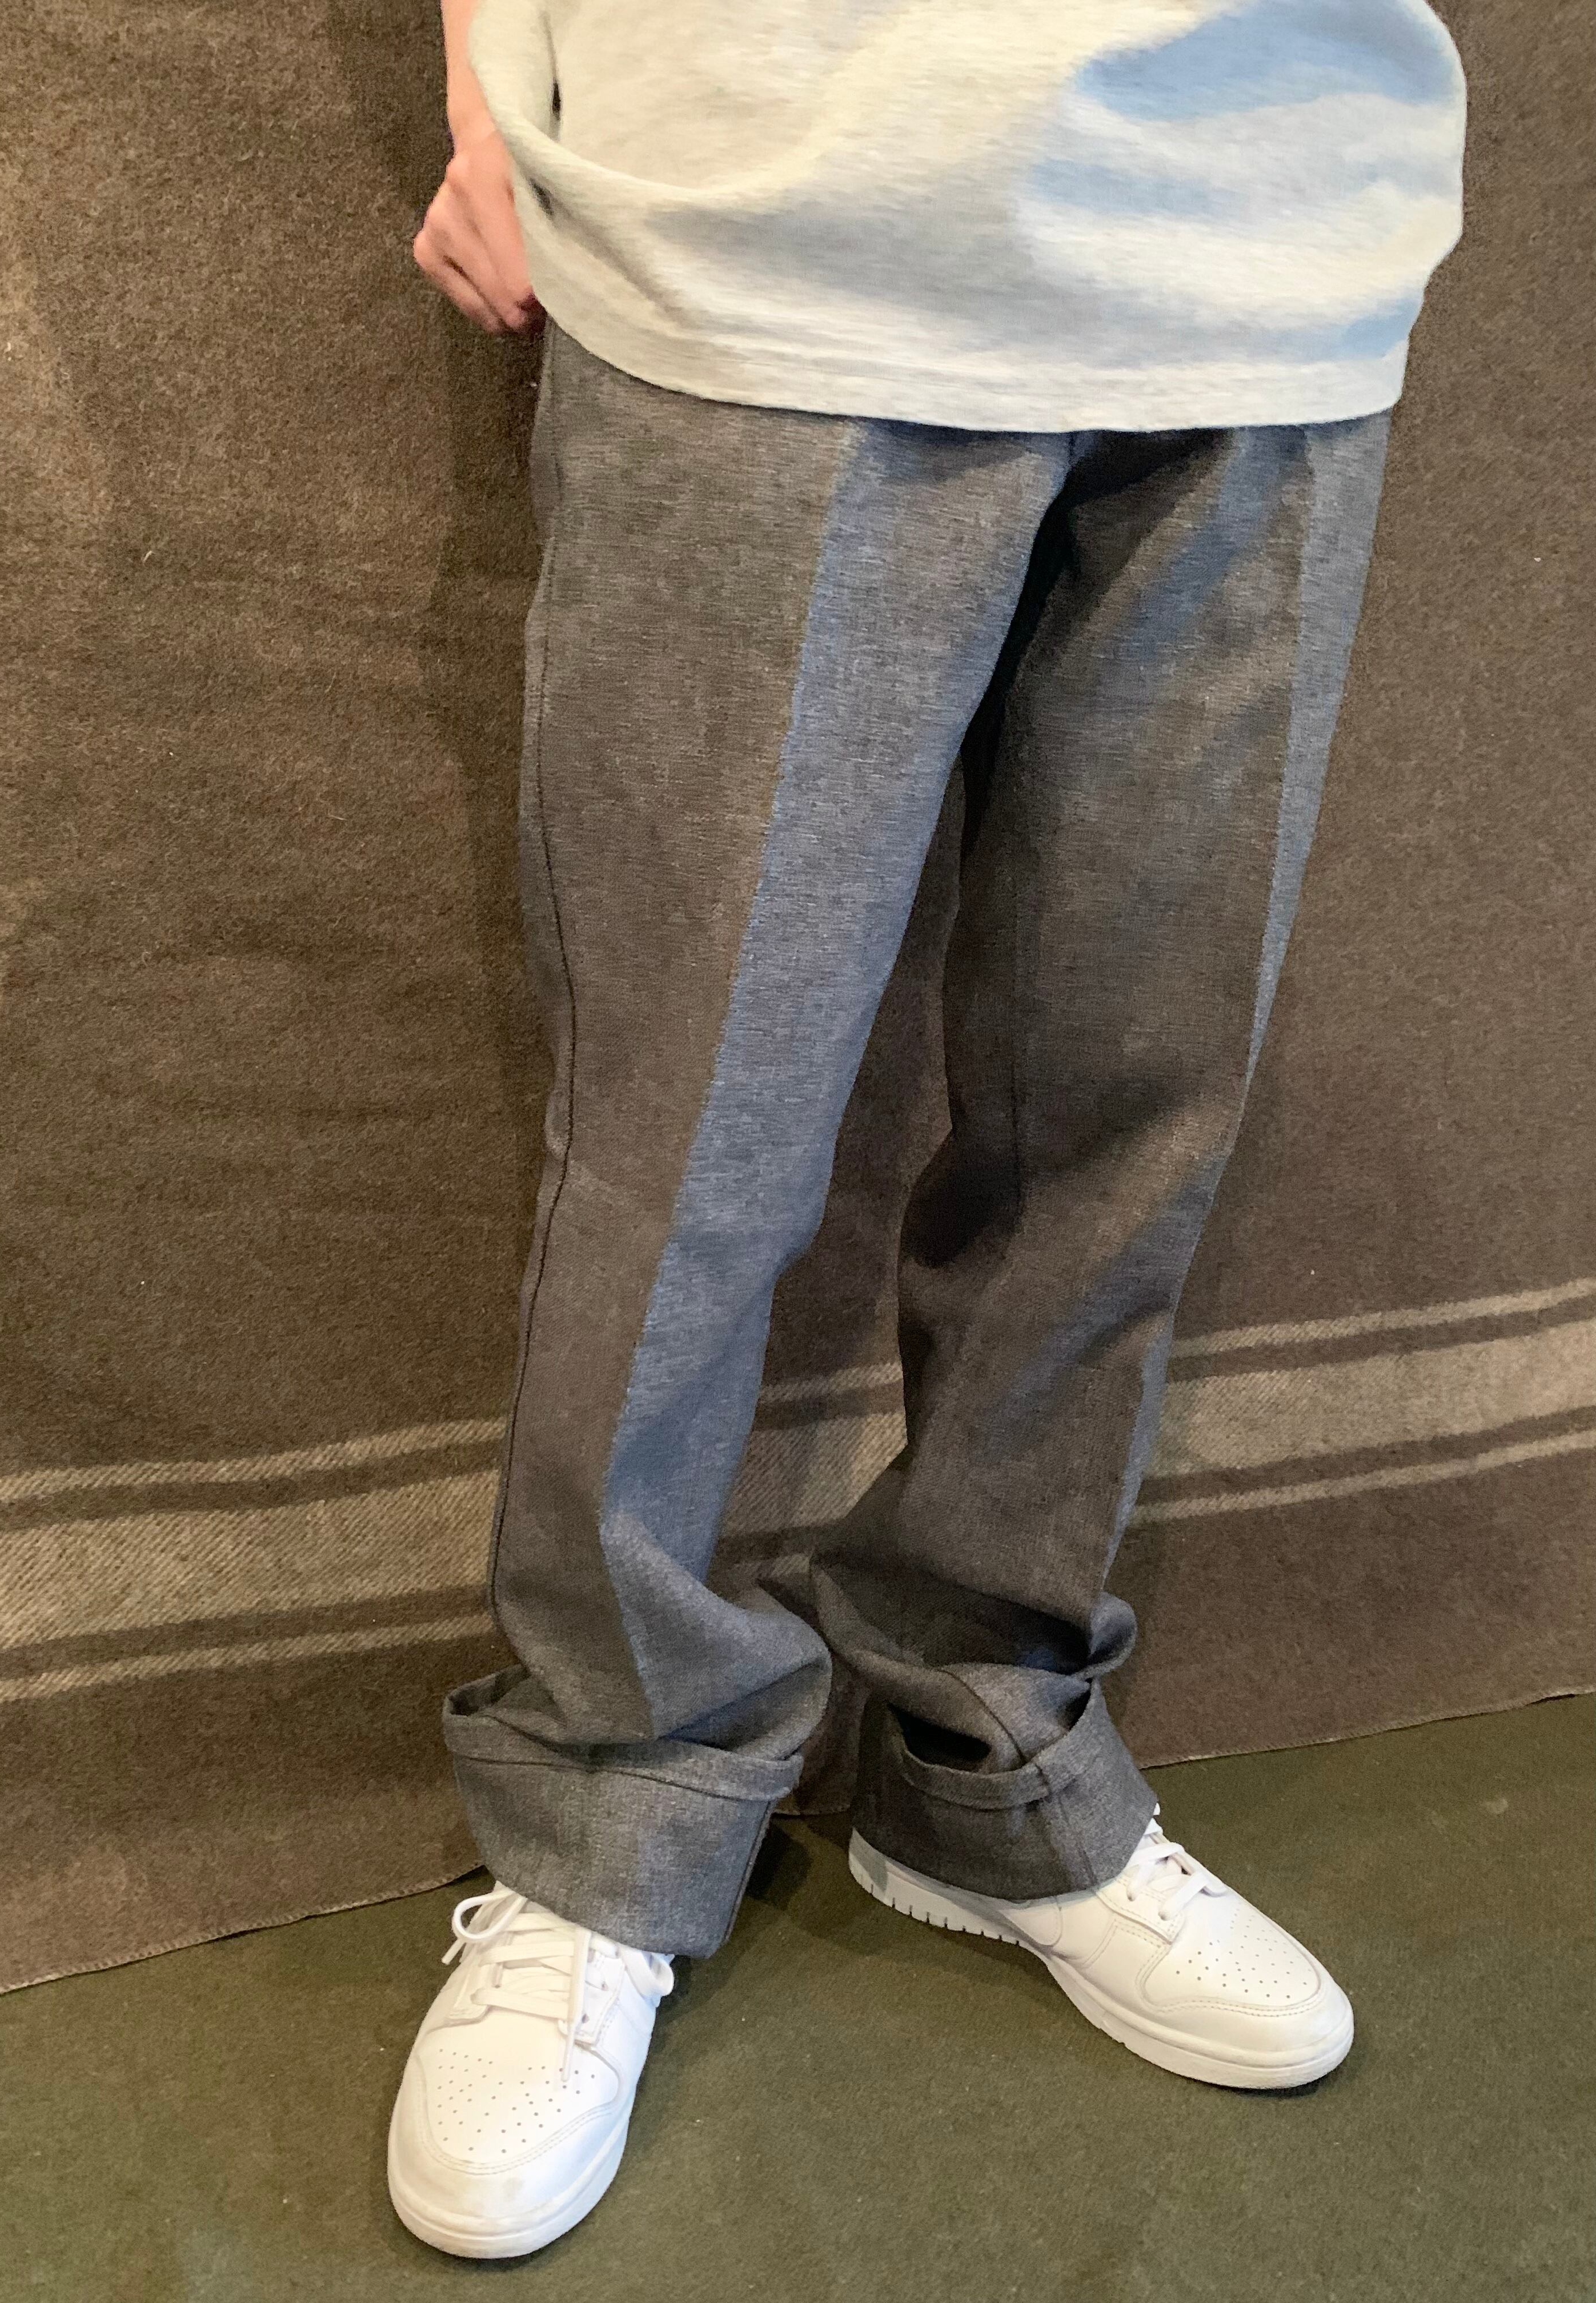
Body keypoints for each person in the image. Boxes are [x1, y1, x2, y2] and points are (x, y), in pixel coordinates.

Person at [389, 0, 1467, 2260]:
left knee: (1125, 1110)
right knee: (688, 1127)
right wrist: (484, 69)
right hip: (773, 210)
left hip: (1273, 227)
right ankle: (603, 1816)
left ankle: (986, 1757)